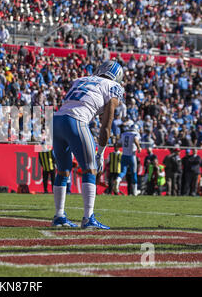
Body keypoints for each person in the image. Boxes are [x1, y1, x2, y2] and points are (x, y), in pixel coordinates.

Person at [52, 60, 125, 229]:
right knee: (90, 168)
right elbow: (107, 124)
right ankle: (88, 218)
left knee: (63, 170)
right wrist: (101, 152)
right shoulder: (113, 86)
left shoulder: (81, 79)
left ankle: (59, 215)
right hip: (76, 121)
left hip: (56, 121)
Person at [113, 125, 141, 196]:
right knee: (133, 173)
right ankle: (135, 191)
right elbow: (135, 139)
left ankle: (118, 180)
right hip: (132, 156)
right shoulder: (135, 134)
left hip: (124, 155)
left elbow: (118, 144)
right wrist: (139, 147)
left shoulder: (124, 134)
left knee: (123, 172)